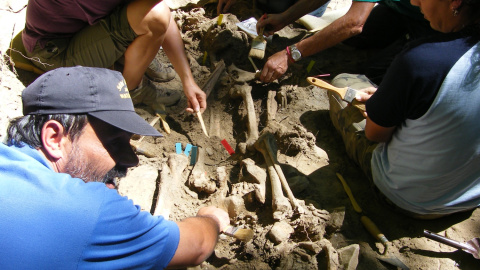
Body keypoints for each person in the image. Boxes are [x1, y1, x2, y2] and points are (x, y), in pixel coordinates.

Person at [0, 66, 230, 268]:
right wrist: (213, 219)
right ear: (54, 138)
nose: (131, 160)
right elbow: (197, 245)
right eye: (113, 142)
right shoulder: (87, 210)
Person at [328, 0, 480, 219]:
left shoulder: (421, 59)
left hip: (407, 198)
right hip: (469, 197)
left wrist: (380, 106)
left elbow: (375, 134)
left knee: (343, 82)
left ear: (455, 2)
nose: (413, 1)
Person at [22, 0, 206, 113]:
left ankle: (138, 59)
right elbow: (155, 17)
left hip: (77, 28)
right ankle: (131, 91)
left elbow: (158, 8)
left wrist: (187, 79)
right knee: (152, 19)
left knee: (153, 14)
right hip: (54, 51)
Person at [254, 0, 438, 84]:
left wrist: (290, 54)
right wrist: (285, 17)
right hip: (400, 8)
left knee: (373, 73)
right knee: (354, 41)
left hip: (435, 23)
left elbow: (354, 23)